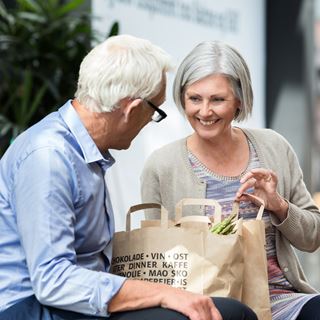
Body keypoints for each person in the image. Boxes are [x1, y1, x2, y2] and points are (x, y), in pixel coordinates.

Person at [0, 35, 257, 320]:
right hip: (32, 309)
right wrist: (161, 293)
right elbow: (53, 281)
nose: (150, 121)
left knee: (227, 312)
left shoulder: (81, 150)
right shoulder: (49, 157)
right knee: (223, 315)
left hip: (73, 305)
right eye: (155, 111)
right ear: (133, 108)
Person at [141, 40, 320, 320]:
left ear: (239, 100)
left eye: (217, 99)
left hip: (280, 299)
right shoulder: (161, 165)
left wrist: (278, 205)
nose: (204, 112)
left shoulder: (274, 146)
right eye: (195, 98)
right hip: (205, 305)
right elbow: (151, 262)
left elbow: (313, 238)